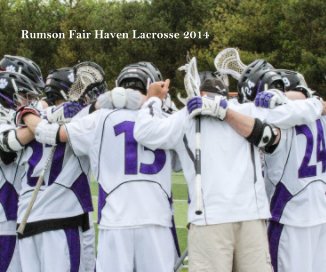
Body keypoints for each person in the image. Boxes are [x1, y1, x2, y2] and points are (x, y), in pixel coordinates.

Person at [132, 62, 324, 272]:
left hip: (210, 220)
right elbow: (314, 106)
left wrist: (153, 99)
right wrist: (285, 98)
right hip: (250, 215)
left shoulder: (186, 117)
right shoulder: (246, 110)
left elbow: (144, 131)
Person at [18, 61, 179, 272]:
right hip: (157, 221)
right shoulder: (167, 119)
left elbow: (48, 133)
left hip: (114, 221)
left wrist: (26, 114)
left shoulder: (99, 119)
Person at [12, 62, 107, 272]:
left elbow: (22, 118)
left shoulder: (31, 116)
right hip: (62, 217)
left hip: (27, 219)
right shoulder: (82, 116)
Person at [253, 71, 326, 272]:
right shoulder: (317, 113)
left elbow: (261, 114)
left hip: (289, 214)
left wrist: (282, 98)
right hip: (319, 212)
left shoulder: (282, 116)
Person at [0, 71, 42, 272]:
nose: (29, 101)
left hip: (12, 219)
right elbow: (10, 142)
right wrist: (45, 122)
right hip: (4, 221)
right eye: (25, 96)